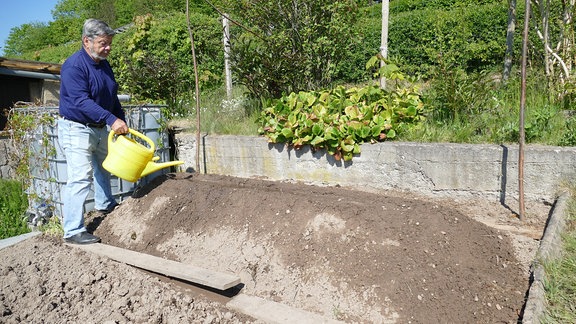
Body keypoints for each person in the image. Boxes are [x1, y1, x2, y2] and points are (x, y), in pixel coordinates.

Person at [58, 18, 129, 244]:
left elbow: (111, 95)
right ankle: (72, 231)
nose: (108, 48)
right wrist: (110, 119)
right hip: (76, 128)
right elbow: (80, 101)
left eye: (109, 43)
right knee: (80, 178)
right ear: (86, 41)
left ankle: (105, 205)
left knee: (103, 169)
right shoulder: (74, 66)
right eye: (103, 43)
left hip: (99, 127)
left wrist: (120, 120)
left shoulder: (104, 64)